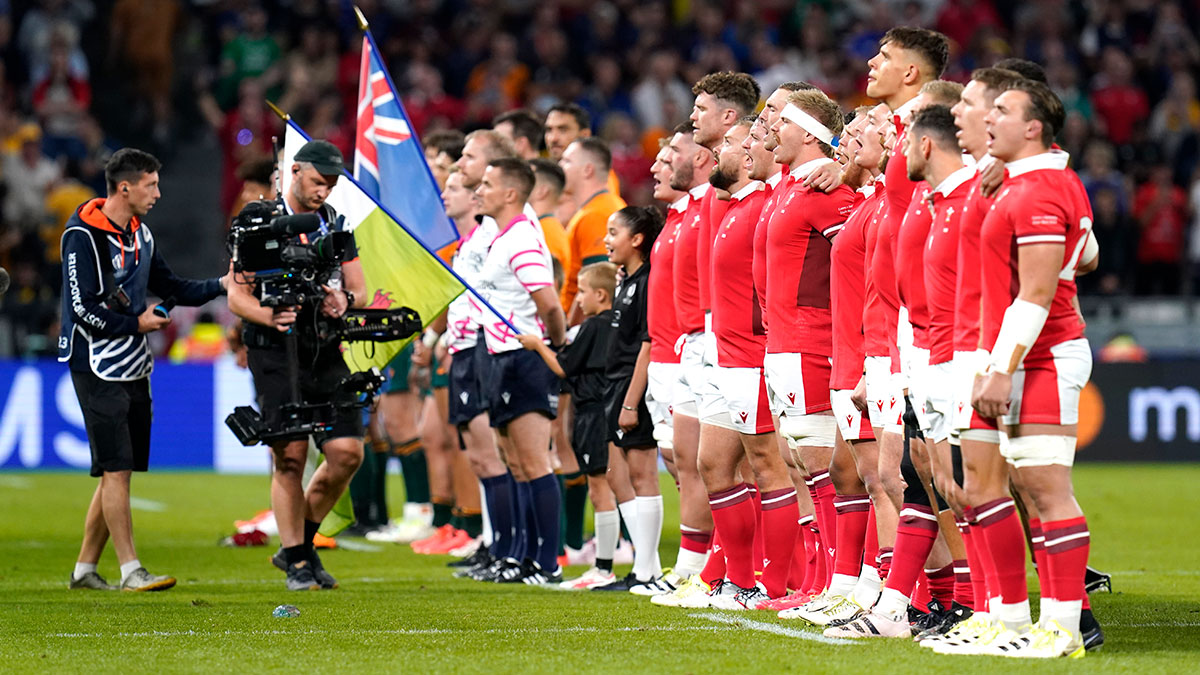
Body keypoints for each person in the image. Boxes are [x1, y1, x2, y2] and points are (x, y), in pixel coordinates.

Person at [962, 79, 1095, 658]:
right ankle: (1027, 625)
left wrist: (1000, 369)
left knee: (1046, 487)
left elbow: (1037, 294)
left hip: (1042, 355)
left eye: (1003, 111)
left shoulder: (1039, 191)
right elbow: (1085, 255)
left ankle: (1064, 630)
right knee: (1019, 485)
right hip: (1020, 355)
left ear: (1034, 126)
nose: (990, 120)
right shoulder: (1030, 184)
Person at [61, 148, 229, 591]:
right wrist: (136, 322)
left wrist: (221, 286)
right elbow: (81, 310)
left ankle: (83, 570)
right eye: (151, 184)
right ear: (125, 187)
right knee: (116, 468)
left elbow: (172, 286)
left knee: (120, 466)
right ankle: (131, 569)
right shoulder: (82, 236)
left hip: (133, 361)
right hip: (94, 362)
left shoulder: (141, 235)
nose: (158, 193)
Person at [227, 140, 368, 591]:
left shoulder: (335, 223)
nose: (323, 191)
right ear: (295, 171)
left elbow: (359, 289)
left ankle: (298, 548)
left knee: (347, 453)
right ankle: (300, 565)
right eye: (317, 181)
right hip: (273, 347)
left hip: (324, 346)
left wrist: (342, 299)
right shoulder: (255, 220)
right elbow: (235, 293)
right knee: (289, 455)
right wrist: (268, 315)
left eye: (330, 184)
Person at [474, 157, 568, 584]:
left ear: (511, 193)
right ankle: (522, 556)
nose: (481, 188)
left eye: (489, 183)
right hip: (501, 355)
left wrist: (555, 344)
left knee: (534, 462)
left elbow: (548, 302)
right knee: (515, 462)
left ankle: (546, 563)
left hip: (523, 358)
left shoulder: (523, 241)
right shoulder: (503, 236)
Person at [519, 262, 619, 590]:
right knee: (609, 487)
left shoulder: (594, 326)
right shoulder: (615, 324)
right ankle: (612, 561)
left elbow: (564, 368)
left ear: (601, 295)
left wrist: (537, 345)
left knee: (600, 489)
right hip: (606, 409)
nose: (578, 299)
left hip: (593, 413)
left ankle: (604, 566)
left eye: (583, 292)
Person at [588, 206, 663, 593]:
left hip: (633, 387)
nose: (606, 239)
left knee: (641, 475)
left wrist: (632, 401)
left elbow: (648, 344)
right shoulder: (628, 279)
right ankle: (644, 566)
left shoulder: (649, 280)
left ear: (637, 240)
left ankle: (648, 572)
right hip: (613, 384)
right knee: (618, 477)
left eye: (613, 232)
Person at [558, 137, 627, 320]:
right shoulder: (600, 207)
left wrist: (572, 334)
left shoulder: (596, 215)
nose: (560, 166)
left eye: (567, 161)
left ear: (587, 170)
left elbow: (597, 288)